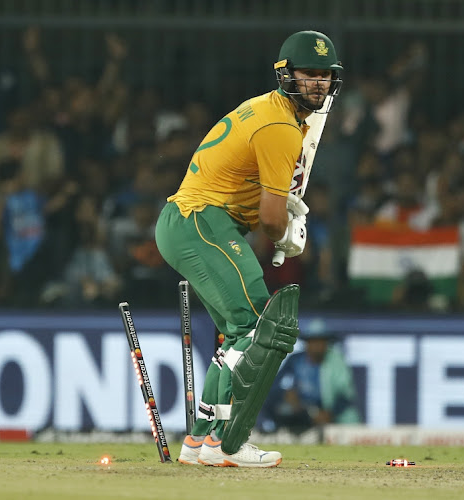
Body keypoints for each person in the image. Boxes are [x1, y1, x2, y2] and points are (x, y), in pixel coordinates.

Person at [155, 31, 342, 467]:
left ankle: (201, 443)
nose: (317, 83)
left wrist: (277, 212)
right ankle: (227, 444)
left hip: (191, 222)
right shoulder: (281, 126)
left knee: (237, 335)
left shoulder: (270, 110)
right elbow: (272, 219)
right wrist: (287, 235)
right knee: (259, 326)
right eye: (308, 74)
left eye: (324, 76)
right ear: (285, 74)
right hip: (201, 221)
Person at [264, 319, 360, 433]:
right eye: (313, 341)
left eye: (321, 341)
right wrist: (285, 392)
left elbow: (345, 394)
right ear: (307, 343)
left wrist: (329, 413)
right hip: (303, 413)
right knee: (279, 406)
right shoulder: (296, 360)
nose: (317, 345)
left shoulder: (336, 361)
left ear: (327, 343)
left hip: (332, 416)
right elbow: (274, 384)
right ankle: (268, 429)